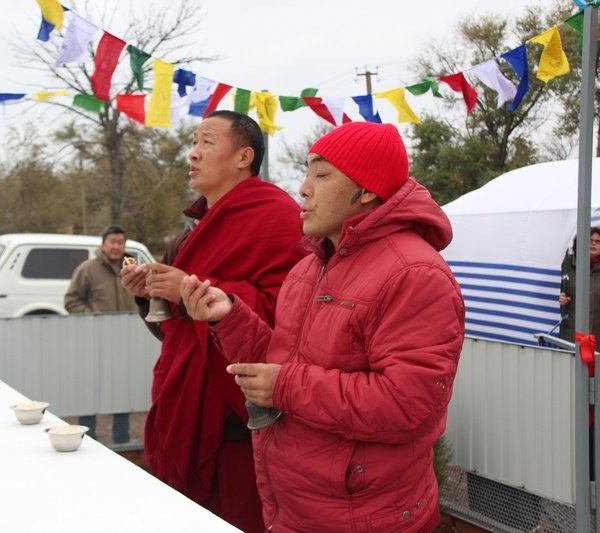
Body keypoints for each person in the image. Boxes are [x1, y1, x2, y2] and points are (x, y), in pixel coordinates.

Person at [181, 121, 466, 532]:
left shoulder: (414, 273)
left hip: (365, 517)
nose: (303, 189)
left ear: (366, 190)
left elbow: (408, 406)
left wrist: (285, 386)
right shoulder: (309, 267)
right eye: (306, 173)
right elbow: (281, 364)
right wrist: (228, 317)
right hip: (295, 506)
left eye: (322, 175)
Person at [121, 110, 307, 533]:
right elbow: (174, 334)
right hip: (185, 402)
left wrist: (196, 291)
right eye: (193, 143)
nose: (193, 154)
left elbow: (292, 319)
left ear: (244, 157)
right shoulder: (188, 235)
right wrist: (148, 295)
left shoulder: (279, 217)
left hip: (239, 423)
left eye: (206, 142)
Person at [64, 224, 137, 444]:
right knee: (90, 388)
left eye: (120, 242)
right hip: (94, 342)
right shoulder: (87, 269)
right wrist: (93, 317)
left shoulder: (133, 268)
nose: (116, 246)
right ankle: (87, 438)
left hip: (124, 341)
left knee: (122, 389)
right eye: (112, 242)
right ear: (103, 244)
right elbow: (71, 300)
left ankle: (122, 439)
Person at [558, 227, 600, 341]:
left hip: (597, 336)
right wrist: (563, 298)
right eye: (590, 240)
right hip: (572, 335)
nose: (593, 244)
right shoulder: (568, 262)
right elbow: (563, 290)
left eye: (598, 241)